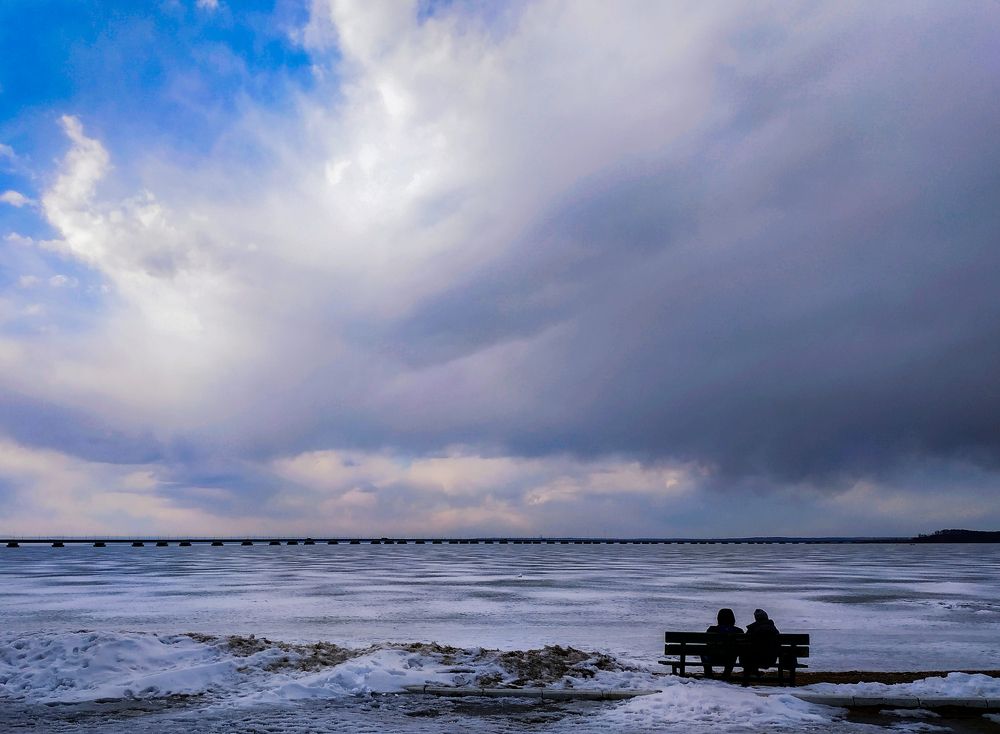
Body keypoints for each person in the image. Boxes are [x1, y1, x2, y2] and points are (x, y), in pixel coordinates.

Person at [701, 608, 743, 679]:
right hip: (730, 658)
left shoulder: (712, 630)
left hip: (713, 657)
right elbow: (742, 646)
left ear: (718, 618)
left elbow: (707, 643)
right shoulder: (738, 631)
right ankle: (727, 673)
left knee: (703, 652)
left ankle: (708, 673)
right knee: (734, 652)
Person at [741, 608, 780, 680]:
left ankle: (748, 677)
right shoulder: (773, 630)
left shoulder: (752, 629)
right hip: (770, 659)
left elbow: (744, 644)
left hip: (752, 659)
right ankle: (754, 672)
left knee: (747, 651)